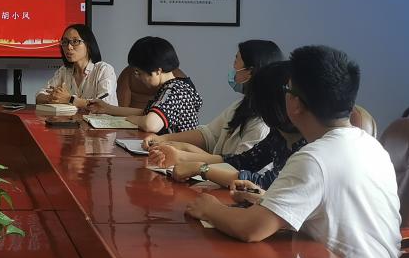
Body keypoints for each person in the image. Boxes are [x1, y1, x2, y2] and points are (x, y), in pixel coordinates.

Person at [185, 46, 404, 258]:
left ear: (295, 103)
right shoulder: (371, 145)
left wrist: (210, 208)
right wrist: (268, 201)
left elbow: (251, 229)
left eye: (287, 90)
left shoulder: (314, 157)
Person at [156, 61, 304, 189]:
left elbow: (263, 183)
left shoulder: (304, 147)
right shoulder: (279, 135)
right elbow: (243, 161)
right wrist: (182, 157)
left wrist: (202, 168)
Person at [142, 40, 281, 159]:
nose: (233, 67)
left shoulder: (262, 124)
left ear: (249, 72)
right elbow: (209, 135)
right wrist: (163, 139)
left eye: (236, 60)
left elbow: (237, 166)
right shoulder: (241, 105)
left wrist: (183, 150)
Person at [87, 36, 201, 133]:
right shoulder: (175, 86)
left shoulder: (174, 90)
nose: (137, 77)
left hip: (178, 150)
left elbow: (150, 124)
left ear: (157, 71)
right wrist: (106, 108)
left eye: (139, 72)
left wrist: (130, 119)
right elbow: (145, 112)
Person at [35, 24, 117, 110]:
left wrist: (69, 99)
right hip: (74, 118)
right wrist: (52, 97)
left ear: (88, 45)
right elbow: (39, 96)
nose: (69, 47)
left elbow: (103, 106)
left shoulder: (103, 70)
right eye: (65, 42)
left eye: (75, 41)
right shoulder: (64, 71)